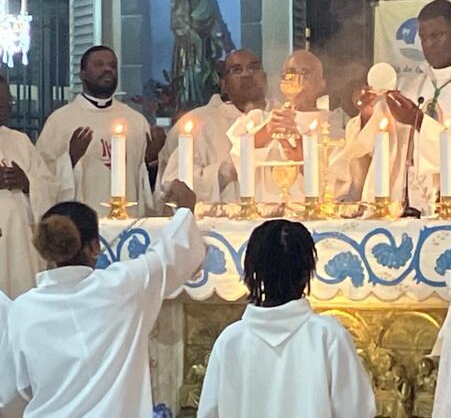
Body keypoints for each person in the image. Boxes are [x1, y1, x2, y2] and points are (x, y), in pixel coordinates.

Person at [1, 180, 205, 417]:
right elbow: (173, 254)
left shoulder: (23, 310)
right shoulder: (124, 287)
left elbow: (10, 396)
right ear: (95, 247)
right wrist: (186, 209)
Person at [338, 0, 451, 212]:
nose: (429, 45)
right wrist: (367, 112)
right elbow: (373, 144)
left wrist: (418, 122)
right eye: (423, 37)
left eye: (437, 36)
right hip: (402, 202)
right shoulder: (410, 85)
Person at [197, 219, 376, 418]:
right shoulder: (329, 336)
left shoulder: (230, 340)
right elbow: (357, 411)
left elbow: (208, 413)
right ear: (306, 271)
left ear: (253, 271)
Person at [36, 45, 165, 217]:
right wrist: (70, 159)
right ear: (82, 75)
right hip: (83, 225)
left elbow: (148, 186)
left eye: (112, 65)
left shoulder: (135, 121)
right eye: (99, 64)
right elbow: (42, 179)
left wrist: (151, 160)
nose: (107, 69)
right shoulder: (60, 121)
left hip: (129, 221)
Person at [228, 50, 349, 202]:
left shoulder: (334, 134)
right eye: (290, 72)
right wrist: (266, 132)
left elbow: (337, 189)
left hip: (309, 214)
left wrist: (304, 163)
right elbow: (239, 155)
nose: (297, 79)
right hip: (266, 211)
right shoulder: (261, 121)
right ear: (282, 83)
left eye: (305, 73)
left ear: (321, 84)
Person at [161, 49, 269, 203]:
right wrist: (224, 173)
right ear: (224, 84)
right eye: (237, 70)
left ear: (265, 77)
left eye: (254, 68)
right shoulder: (199, 123)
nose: (247, 75)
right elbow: (173, 184)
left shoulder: (282, 118)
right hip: (217, 217)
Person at [0, 76, 56, 297]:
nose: (5, 107)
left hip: (19, 247)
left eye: (7, 101)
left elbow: (50, 186)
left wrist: (27, 183)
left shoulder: (20, 141)